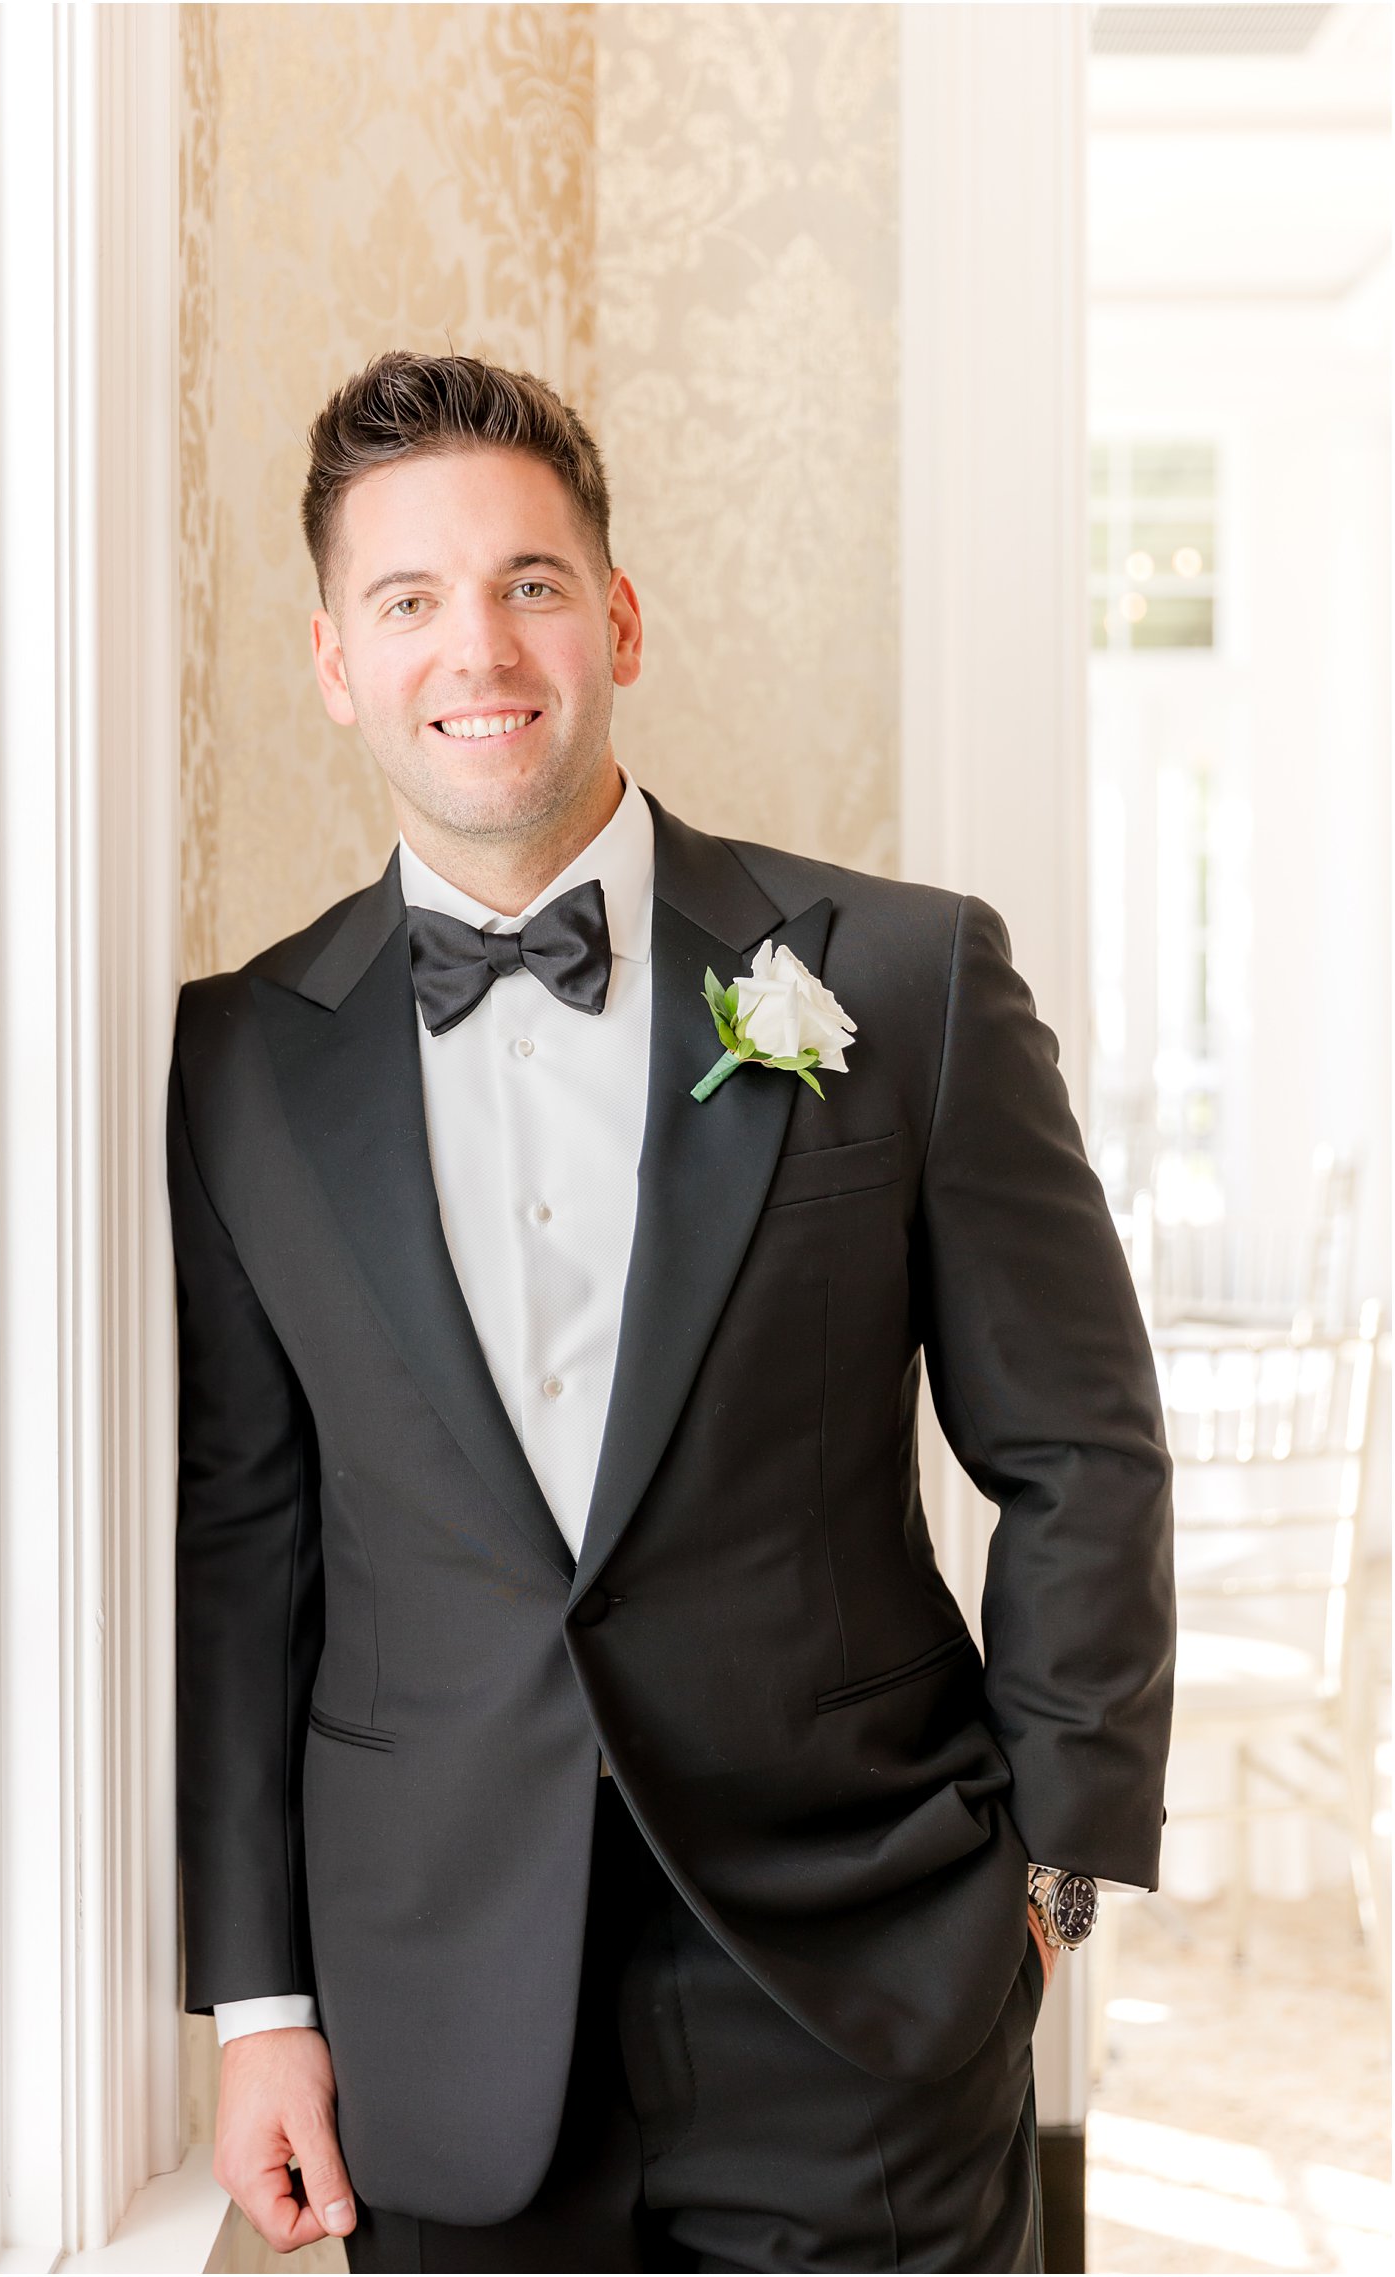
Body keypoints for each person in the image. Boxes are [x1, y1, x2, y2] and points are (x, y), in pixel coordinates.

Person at [168, 349, 1175, 2274]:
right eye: (410, 600)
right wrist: (262, 1999)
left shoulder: (907, 977)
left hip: (859, 1990)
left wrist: (1049, 1875)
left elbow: (1081, 1448)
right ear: (331, 660)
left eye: (530, 582)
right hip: (436, 2028)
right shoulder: (236, 1064)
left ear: (614, 614)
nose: (480, 646)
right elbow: (247, 1548)